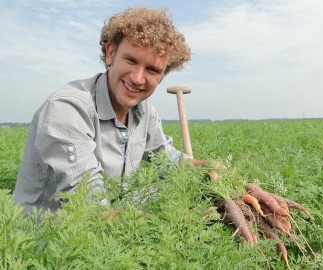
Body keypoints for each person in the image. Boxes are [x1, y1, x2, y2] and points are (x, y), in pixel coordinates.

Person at [13, 7, 215, 213]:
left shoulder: (143, 111)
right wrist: (186, 217)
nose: (137, 78)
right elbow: (90, 207)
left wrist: (206, 167)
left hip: (110, 220)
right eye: (131, 60)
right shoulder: (68, 109)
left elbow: (165, 158)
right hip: (48, 236)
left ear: (162, 76)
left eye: (152, 70)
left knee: (176, 189)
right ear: (110, 53)